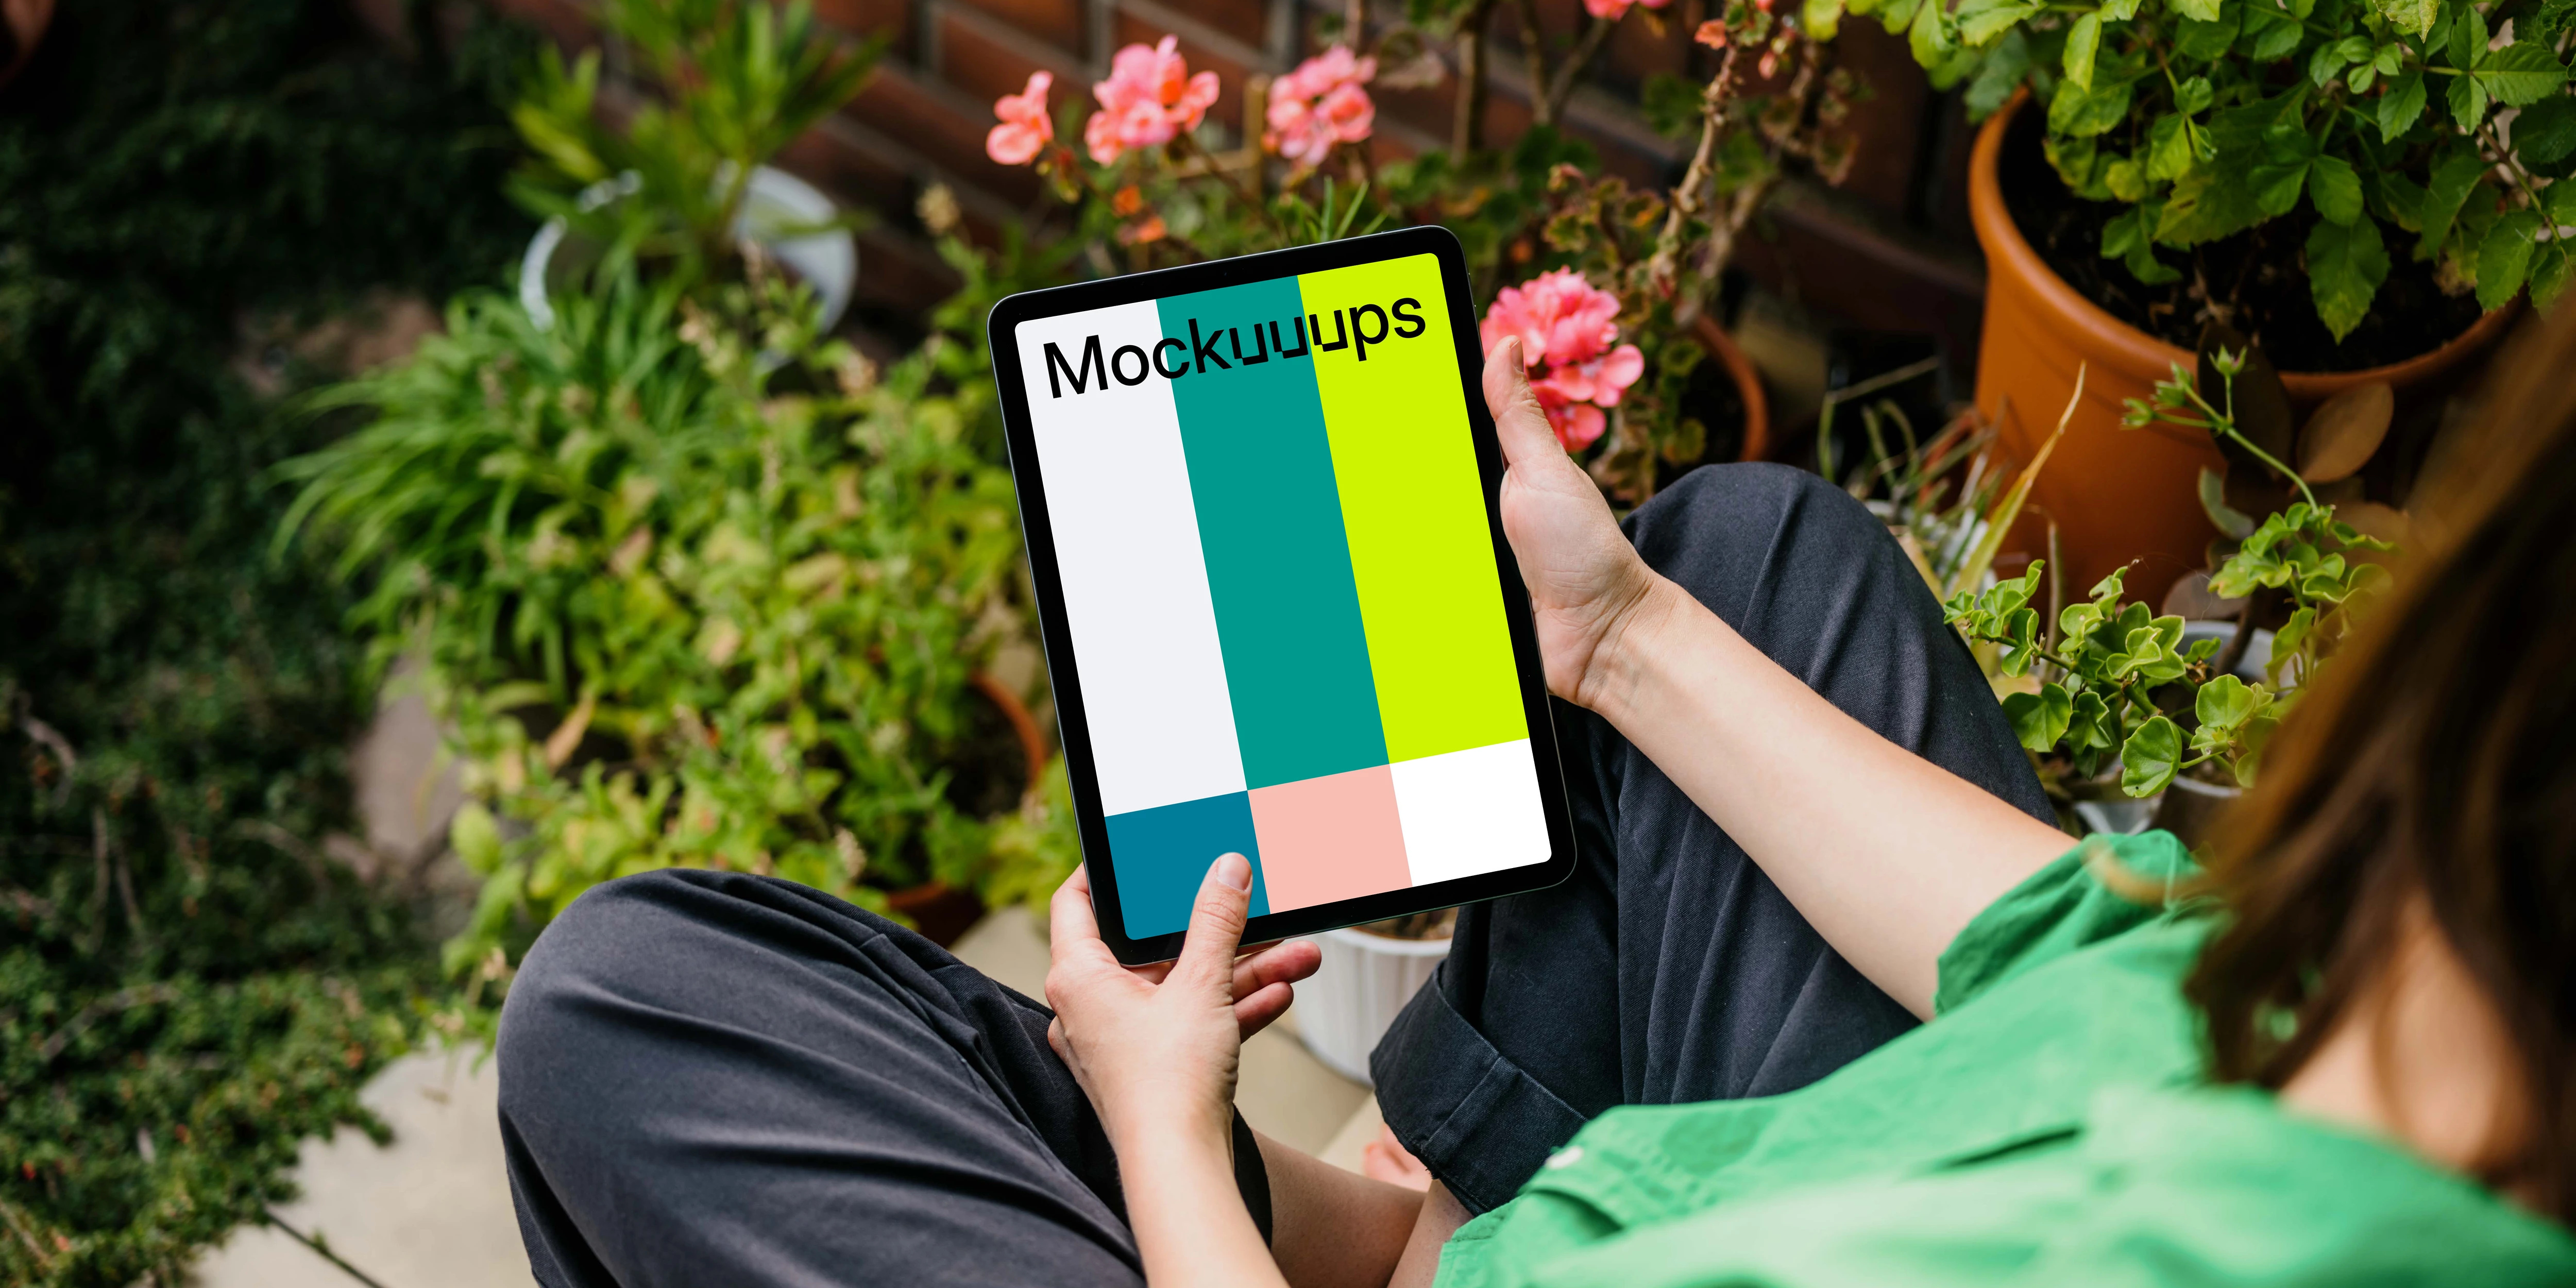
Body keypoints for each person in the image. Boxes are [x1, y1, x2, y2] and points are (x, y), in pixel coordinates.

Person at [497, 299, 2576, 1288]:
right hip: (1595, 1212)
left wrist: (1164, 1144)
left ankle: (1372, 1211)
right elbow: (2078, 940)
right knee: (1752, 552)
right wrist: (1614, 631)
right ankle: (1417, 1202)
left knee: (633, 1004)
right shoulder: (2369, 1037)